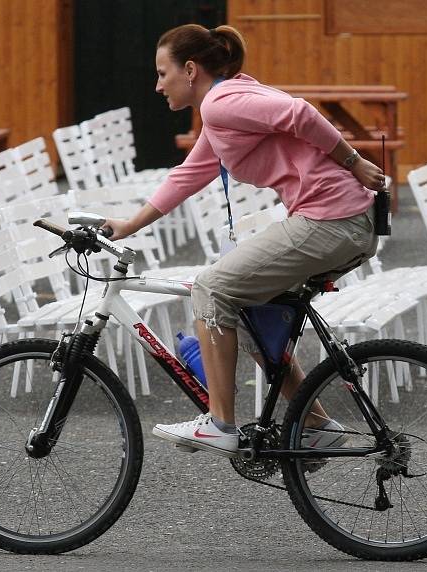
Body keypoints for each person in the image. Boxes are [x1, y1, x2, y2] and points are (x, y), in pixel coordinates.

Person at [103, 23, 384, 457]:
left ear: (191, 70)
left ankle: (220, 424)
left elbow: (301, 113)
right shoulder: (220, 113)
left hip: (332, 220)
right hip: (340, 221)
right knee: (247, 311)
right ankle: (314, 424)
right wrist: (129, 224)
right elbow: (188, 175)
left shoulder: (221, 103)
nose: (158, 86)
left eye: (163, 73)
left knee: (211, 288)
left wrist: (353, 160)